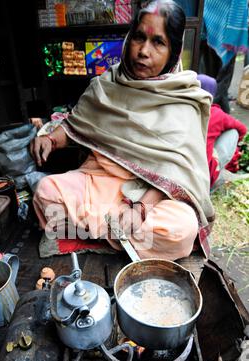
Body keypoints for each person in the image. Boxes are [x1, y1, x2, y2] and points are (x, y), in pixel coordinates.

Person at [30, 0, 214, 261]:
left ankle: (94, 233)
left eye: (158, 42)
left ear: (174, 50)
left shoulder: (183, 100)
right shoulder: (107, 85)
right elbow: (76, 124)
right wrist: (51, 138)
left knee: (180, 230)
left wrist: (139, 209)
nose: (143, 51)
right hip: (99, 181)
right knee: (46, 193)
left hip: (152, 194)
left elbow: (177, 176)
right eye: (139, 37)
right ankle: (120, 237)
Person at [198, 74, 248, 189]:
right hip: (204, 175)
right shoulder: (215, 113)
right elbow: (242, 129)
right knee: (233, 132)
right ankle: (217, 173)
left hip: (177, 170)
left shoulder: (181, 107)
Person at [199, 0, 248, 113]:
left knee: (214, 79)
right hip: (223, 32)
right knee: (220, 82)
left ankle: (212, 113)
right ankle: (213, 114)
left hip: (212, 27)